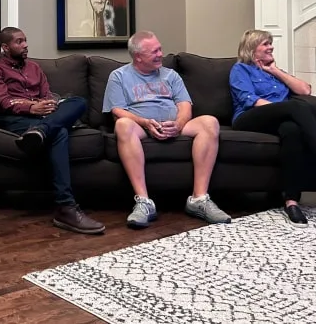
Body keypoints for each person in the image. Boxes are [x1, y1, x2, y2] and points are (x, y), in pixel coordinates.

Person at [103, 30, 231, 228]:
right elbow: (117, 111)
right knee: (122, 125)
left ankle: (199, 200)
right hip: (141, 126)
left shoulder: (171, 75)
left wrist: (179, 124)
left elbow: (185, 105)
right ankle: (144, 202)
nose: (160, 54)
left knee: (210, 122)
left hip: (174, 125)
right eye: (154, 51)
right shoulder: (119, 76)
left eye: (160, 49)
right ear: (138, 56)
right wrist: (145, 122)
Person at [0, 27, 105, 235]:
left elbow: (47, 93)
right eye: (19, 42)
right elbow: (4, 102)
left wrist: (47, 104)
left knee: (78, 102)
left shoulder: (34, 68)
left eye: (25, 41)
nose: (25, 45)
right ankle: (66, 207)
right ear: (5, 47)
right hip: (17, 119)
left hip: (43, 117)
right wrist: (31, 107)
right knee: (59, 132)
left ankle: (42, 129)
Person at [229, 29, 315, 226]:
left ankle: (291, 201)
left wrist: (275, 71)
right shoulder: (240, 70)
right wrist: (285, 108)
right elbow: (249, 100)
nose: (271, 47)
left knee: (291, 130)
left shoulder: (273, 72)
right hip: (248, 118)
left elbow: (305, 90)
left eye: (271, 43)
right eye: (266, 44)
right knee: (296, 107)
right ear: (252, 48)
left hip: (279, 119)